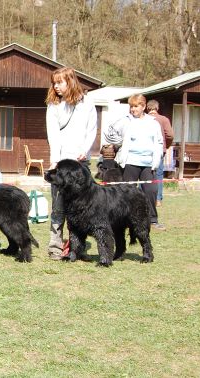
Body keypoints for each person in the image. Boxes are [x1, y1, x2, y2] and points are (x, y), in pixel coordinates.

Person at [45, 67, 97, 261]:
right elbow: (53, 135)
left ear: (70, 81)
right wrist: (54, 160)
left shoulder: (87, 104)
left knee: (81, 208)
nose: (56, 86)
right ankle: (55, 247)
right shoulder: (53, 105)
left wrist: (85, 149)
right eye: (54, 83)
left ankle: (77, 248)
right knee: (58, 207)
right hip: (61, 164)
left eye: (60, 82)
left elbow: (91, 129)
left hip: (81, 163)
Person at [104, 94, 164, 230]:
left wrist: (157, 158)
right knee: (127, 192)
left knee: (151, 191)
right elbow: (109, 132)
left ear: (143, 107)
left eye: (136, 106)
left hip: (148, 163)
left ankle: (152, 220)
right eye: (131, 106)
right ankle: (124, 219)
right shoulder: (125, 121)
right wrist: (118, 142)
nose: (133, 109)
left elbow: (159, 142)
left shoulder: (153, 123)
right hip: (130, 161)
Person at [146, 100, 174, 207]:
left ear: (147, 108)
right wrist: (166, 146)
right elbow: (170, 135)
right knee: (159, 175)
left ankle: (145, 197)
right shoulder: (163, 119)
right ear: (157, 108)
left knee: (145, 175)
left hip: (146, 151)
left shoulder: (143, 119)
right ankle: (158, 199)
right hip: (159, 150)